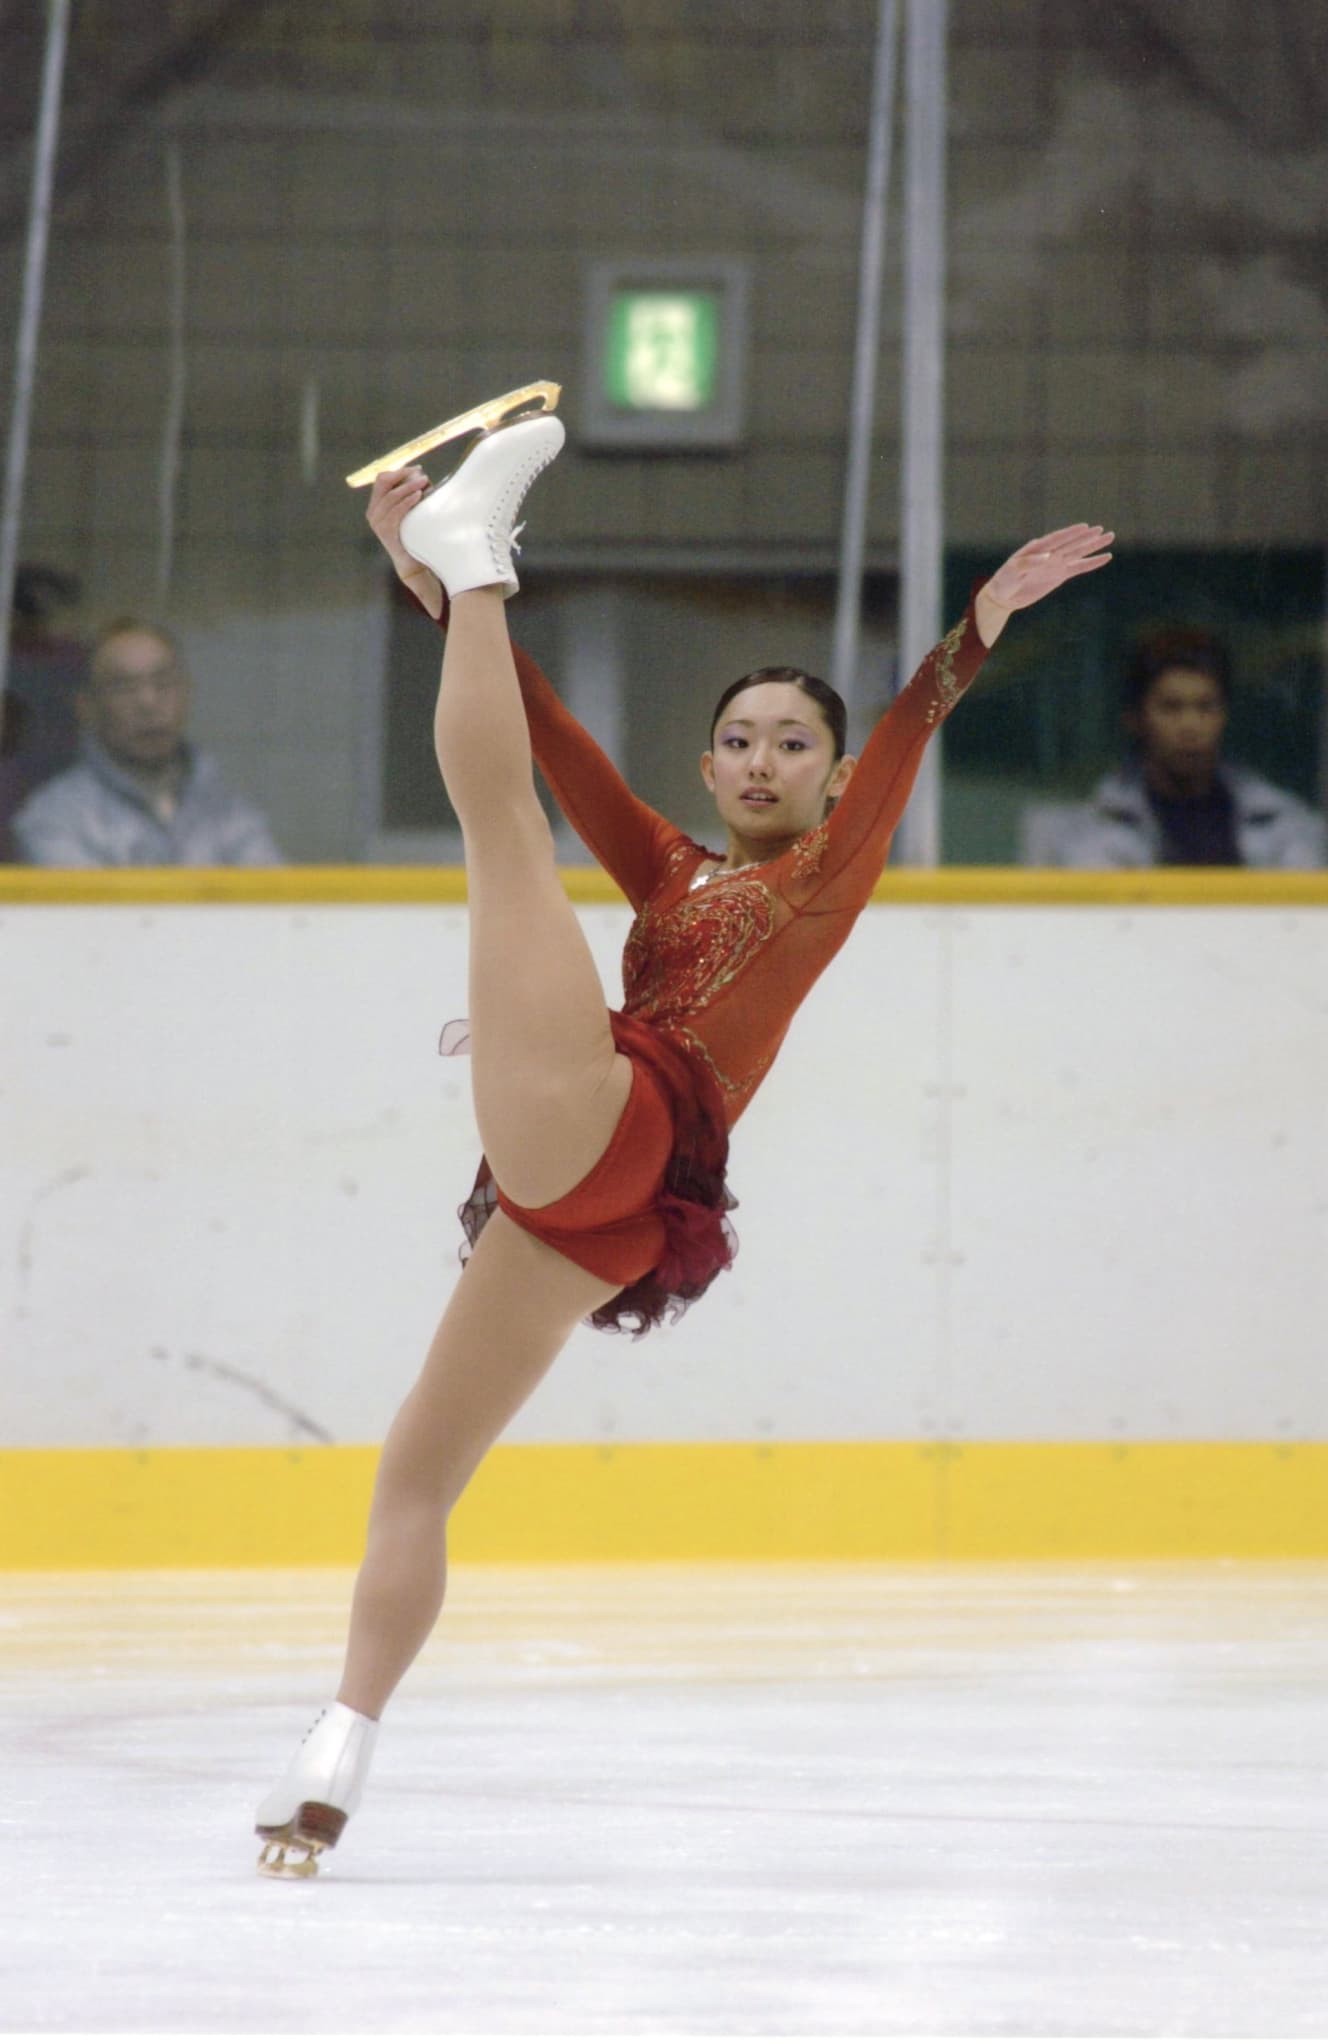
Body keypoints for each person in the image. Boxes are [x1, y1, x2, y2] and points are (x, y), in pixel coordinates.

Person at [253, 407, 1112, 1877]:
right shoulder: (668, 867)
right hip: (591, 1204)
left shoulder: (829, 876)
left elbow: (912, 723)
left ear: (834, 780)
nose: (763, 759)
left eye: (794, 743)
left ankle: (484, 559)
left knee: (497, 841)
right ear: (710, 770)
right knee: (413, 1471)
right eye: (738, 741)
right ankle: (340, 1752)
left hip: (633, 1130)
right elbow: (547, 733)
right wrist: (419, 573)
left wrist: (980, 622)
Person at [1031, 625, 1325, 868]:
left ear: (1225, 714)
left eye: (1206, 706)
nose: (1190, 726)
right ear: (1135, 719)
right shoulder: (1088, 830)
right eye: (1171, 707)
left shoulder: (1284, 823)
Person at [10, 616, 280, 866]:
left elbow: (276, 907)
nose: (148, 703)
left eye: (163, 682)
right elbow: (89, 918)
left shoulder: (227, 809)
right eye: (123, 686)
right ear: (87, 707)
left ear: (186, 694)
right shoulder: (54, 819)